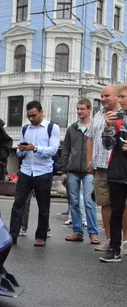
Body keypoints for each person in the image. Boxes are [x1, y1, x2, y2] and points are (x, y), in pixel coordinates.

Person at [9, 100, 60, 246]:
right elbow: (19, 153)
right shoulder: (26, 129)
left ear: (41, 112)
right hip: (26, 171)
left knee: (43, 207)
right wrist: (21, 149)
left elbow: (53, 150)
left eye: (34, 115)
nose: (32, 118)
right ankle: (12, 236)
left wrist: (35, 148)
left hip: (43, 172)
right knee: (18, 204)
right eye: (29, 116)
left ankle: (41, 236)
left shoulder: (52, 128)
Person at [86, 84, 127, 253]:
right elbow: (96, 140)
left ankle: (125, 241)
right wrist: (89, 161)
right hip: (106, 168)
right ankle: (111, 242)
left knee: (123, 206)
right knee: (108, 205)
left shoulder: (121, 116)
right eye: (101, 96)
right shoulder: (100, 115)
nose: (103, 99)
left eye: (107, 96)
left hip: (120, 168)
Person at [60, 98, 99, 243]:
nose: (79, 111)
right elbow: (65, 150)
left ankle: (93, 233)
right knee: (74, 202)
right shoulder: (72, 128)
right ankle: (77, 232)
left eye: (82, 109)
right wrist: (63, 170)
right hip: (73, 170)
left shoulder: (95, 128)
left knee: (89, 201)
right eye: (78, 109)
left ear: (89, 110)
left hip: (90, 170)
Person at [98, 82, 127, 262]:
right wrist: (108, 128)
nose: (120, 100)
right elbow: (107, 145)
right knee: (116, 212)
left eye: (123, 97)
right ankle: (114, 249)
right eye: (120, 97)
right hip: (117, 171)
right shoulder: (115, 118)